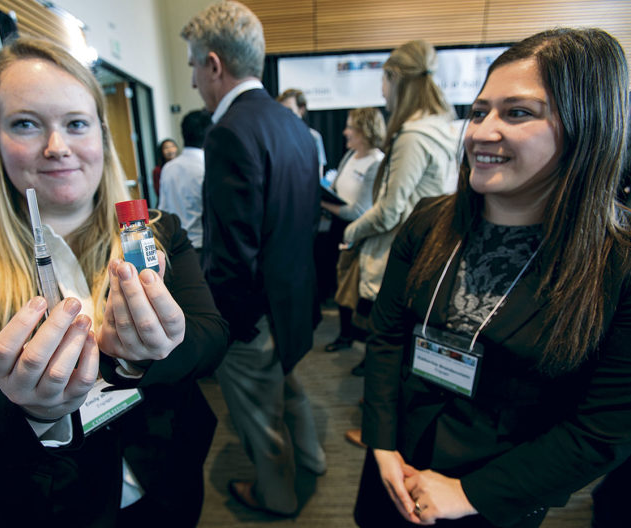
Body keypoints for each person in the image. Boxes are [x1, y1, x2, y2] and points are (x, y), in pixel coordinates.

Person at [0, 36, 228, 528]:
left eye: (75, 123)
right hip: (46, 507)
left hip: (166, 480)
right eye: (26, 124)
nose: (57, 148)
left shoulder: (155, 232)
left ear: (101, 134)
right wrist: (22, 406)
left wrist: (141, 356)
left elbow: (211, 333)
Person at [353, 28, 631, 528]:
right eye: (480, 111)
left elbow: (601, 430)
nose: (482, 132)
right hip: (398, 460)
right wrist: (380, 441)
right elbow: (387, 338)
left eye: (518, 113)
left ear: (585, 126)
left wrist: (468, 493)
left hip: (497, 489)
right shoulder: (429, 222)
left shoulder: (621, 263)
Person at [181, 1, 325, 517]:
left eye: (195, 65)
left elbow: (233, 251)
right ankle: (312, 457)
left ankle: (278, 496)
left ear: (215, 64)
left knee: (259, 414)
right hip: (290, 300)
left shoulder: (228, 132)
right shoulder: (293, 127)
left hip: (252, 313)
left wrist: (228, 327)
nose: (195, 80)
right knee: (287, 384)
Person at [342, 40, 458, 378]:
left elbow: (390, 210)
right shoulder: (442, 127)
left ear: (396, 79)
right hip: (427, 249)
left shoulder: (413, 135)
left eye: (384, 81)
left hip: (401, 254)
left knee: (387, 346)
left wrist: (352, 231)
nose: (382, 92)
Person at [321, 107, 386, 353]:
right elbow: (337, 189)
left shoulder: (376, 162)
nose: (345, 131)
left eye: (351, 127)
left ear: (365, 130)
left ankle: (361, 341)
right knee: (341, 282)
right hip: (338, 228)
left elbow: (359, 211)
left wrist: (323, 203)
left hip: (357, 233)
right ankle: (345, 335)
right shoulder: (350, 156)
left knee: (354, 285)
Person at [158, 109, 213, 254]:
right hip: (202, 245)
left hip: (175, 246)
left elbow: (162, 207)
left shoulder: (168, 168)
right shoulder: (207, 167)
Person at [278, 88, 327, 176]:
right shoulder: (276, 138)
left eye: (290, 110)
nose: (285, 115)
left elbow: (318, 173)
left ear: (301, 109)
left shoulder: (313, 137)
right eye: (282, 111)